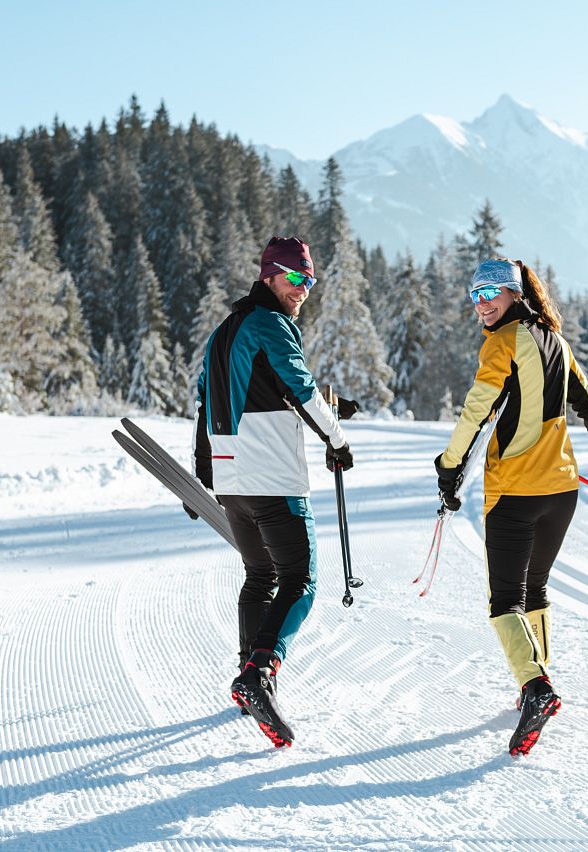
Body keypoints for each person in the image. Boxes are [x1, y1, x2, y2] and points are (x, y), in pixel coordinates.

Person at [434, 258, 588, 757]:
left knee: (505, 601)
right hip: (561, 493)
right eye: (474, 294)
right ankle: (538, 680)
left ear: (514, 294)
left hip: (515, 493)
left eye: (491, 293)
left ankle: (535, 688)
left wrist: (448, 463)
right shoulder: (556, 341)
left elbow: (477, 409)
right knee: (534, 587)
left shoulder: (502, 342)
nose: (481, 303)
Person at [191, 236, 358, 748]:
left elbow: (206, 403)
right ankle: (260, 674)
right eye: (294, 278)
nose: (302, 290)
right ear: (268, 276)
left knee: (260, 576)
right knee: (301, 581)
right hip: (272, 477)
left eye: (309, 281)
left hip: (233, 482)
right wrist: (337, 439)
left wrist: (204, 474)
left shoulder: (225, 331)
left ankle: (249, 678)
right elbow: (300, 389)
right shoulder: (270, 323)